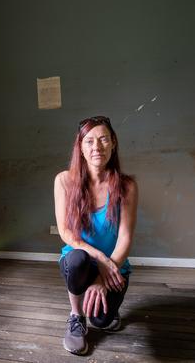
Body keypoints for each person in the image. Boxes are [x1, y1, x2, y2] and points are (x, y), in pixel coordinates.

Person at [53, 115, 138, 355]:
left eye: (103, 139)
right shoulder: (64, 181)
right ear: (80, 148)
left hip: (114, 267)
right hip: (81, 261)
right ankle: (76, 316)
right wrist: (99, 257)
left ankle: (107, 311)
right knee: (77, 258)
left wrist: (103, 277)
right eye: (89, 141)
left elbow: (125, 239)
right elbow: (66, 233)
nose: (96, 147)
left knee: (102, 321)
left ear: (113, 142)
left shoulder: (127, 186)